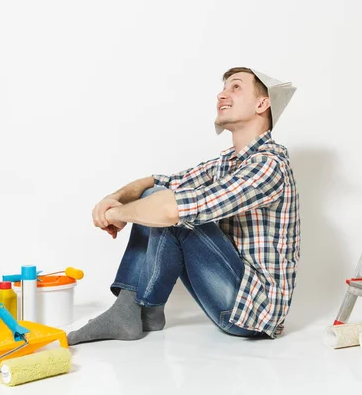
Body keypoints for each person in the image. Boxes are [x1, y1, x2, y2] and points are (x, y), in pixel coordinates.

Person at [67, 67, 300, 345]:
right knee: (158, 194)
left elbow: (173, 209)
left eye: (235, 87)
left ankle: (129, 311)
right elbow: (155, 181)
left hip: (250, 313)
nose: (222, 94)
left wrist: (117, 214)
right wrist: (113, 199)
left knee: (175, 211)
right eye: (223, 88)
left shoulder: (268, 165)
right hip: (228, 295)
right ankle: (143, 312)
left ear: (262, 103)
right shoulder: (225, 163)